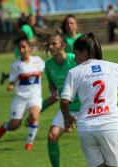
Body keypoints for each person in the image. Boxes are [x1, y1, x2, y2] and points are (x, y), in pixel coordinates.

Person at [60, 32, 118, 167]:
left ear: (83, 52)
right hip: (110, 126)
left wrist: (67, 118)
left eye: (75, 54)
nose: (75, 59)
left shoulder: (74, 72)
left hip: (86, 129)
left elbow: (64, 101)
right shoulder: (113, 67)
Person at [0, 39, 45, 150]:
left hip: (35, 96)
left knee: (34, 115)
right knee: (14, 125)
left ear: (29, 48)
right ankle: (5, 127)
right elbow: (12, 81)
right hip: (21, 98)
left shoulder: (38, 61)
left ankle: (29, 143)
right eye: (20, 48)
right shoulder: (16, 65)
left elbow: (48, 70)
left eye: (24, 47)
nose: (22, 50)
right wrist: (11, 86)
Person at [44, 33, 81, 167]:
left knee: (94, 139)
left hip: (85, 106)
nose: (51, 46)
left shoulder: (74, 59)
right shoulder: (48, 65)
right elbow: (52, 84)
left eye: (54, 43)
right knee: (52, 136)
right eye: (49, 44)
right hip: (67, 108)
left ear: (63, 45)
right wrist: (53, 92)